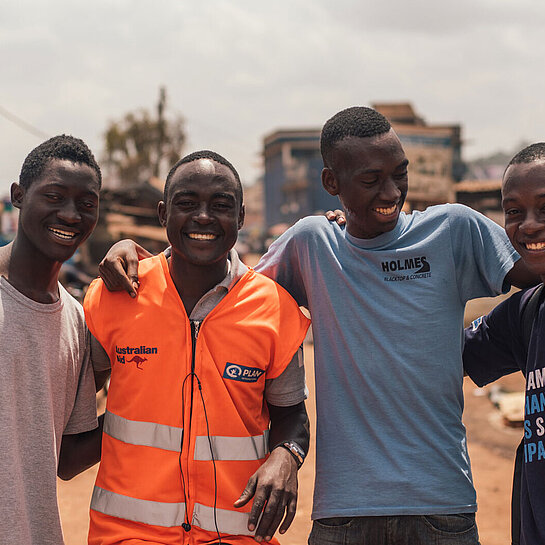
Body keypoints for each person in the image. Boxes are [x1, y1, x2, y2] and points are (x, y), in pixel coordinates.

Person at [99, 107, 536, 545]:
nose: (391, 191)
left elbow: (533, 274)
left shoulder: (454, 230)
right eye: (371, 180)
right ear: (332, 185)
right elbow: (227, 287)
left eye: (399, 174)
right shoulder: (311, 243)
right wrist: (137, 256)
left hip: (443, 505)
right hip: (343, 511)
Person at [83, 150, 311, 545]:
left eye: (221, 205)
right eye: (186, 204)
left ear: (240, 217)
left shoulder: (275, 309)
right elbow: (74, 414)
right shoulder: (115, 297)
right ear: (162, 214)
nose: (203, 217)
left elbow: (292, 416)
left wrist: (286, 455)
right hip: (128, 536)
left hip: (238, 537)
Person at [0, 135, 104, 545]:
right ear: (19, 196)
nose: (71, 214)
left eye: (86, 203)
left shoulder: (76, 319)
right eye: (54, 196)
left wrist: (145, 403)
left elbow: (68, 456)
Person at [463, 143, 545, 545]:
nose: (528, 225)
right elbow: (443, 353)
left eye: (544, 208)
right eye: (514, 211)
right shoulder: (528, 313)